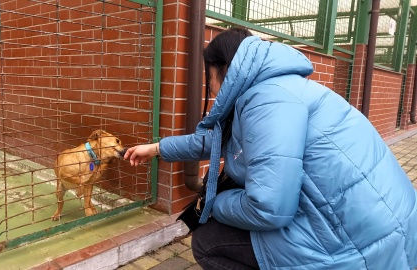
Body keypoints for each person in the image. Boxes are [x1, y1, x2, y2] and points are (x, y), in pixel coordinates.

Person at [124, 27, 417, 270]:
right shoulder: (276, 88)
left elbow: (268, 209)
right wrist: (156, 148)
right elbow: (218, 142)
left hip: (360, 244)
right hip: (372, 224)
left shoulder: (267, 101)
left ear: (223, 69)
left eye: (208, 77)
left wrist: (211, 204)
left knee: (208, 242)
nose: (211, 90)